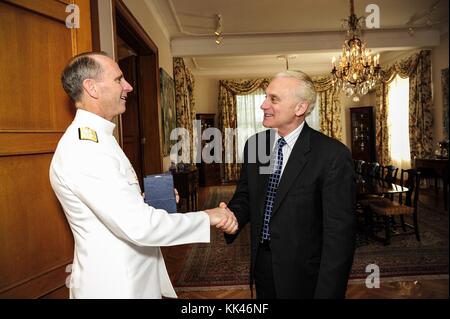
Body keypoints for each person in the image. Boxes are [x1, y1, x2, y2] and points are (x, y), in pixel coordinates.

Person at [49, 51, 238, 299]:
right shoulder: (86, 148)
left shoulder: (100, 138)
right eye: (119, 80)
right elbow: (139, 226)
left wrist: (146, 200)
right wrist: (208, 216)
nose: (128, 86)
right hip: (116, 287)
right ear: (91, 88)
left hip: (133, 277)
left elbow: (116, 208)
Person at [223, 70, 356, 299]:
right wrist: (231, 216)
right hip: (263, 264)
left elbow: (339, 238)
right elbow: (246, 196)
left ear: (300, 108)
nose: (263, 105)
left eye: (273, 99)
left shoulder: (332, 155)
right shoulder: (256, 146)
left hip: (305, 274)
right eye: (266, 97)